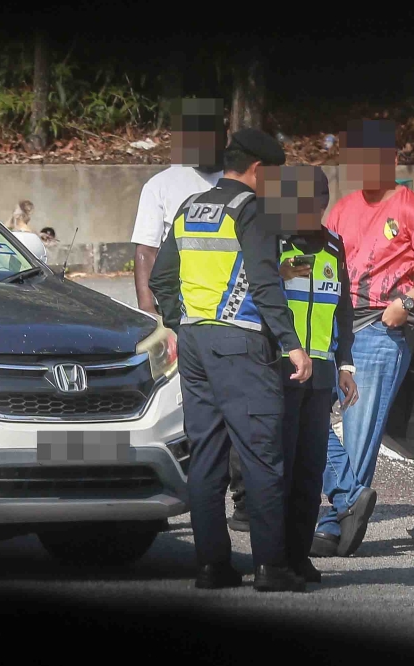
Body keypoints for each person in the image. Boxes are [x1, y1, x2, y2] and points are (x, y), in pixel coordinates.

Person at [148, 127, 313, 593]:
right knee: (262, 454)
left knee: (207, 456)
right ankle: (271, 567)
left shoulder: (190, 207)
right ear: (260, 169)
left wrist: (182, 322)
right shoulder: (252, 210)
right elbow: (262, 283)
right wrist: (292, 343)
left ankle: (212, 566)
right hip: (240, 345)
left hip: (196, 343)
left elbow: (163, 277)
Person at [311, 119, 414, 558]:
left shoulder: (410, 206)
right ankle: (344, 504)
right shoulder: (341, 208)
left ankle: (332, 521)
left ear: (392, 160)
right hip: (339, 325)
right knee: (306, 414)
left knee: (359, 427)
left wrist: (406, 306)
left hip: (383, 325)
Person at [231, 163, 359, 583]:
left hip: (321, 372)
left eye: (313, 203)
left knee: (309, 469)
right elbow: (249, 295)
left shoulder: (335, 246)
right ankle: (274, 558)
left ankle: (299, 555)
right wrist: (279, 273)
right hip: (278, 369)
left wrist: (345, 364)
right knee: (277, 470)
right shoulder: (272, 241)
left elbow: (342, 308)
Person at [131, 98, 225, 316]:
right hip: (180, 306)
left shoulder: (237, 180)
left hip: (229, 304)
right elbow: (146, 250)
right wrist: (147, 309)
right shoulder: (161, 185)